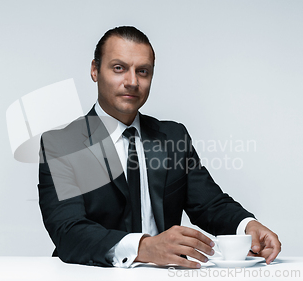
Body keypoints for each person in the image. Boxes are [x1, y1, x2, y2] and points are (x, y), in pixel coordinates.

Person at [38, 26, 281, 268]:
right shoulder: (62, 145)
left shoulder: (173, 137)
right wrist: (143, 248)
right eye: (119, 68)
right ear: (95, 70)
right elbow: (67, 230)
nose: (132, 82)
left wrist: (247, 225)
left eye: (143, 71)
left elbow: (209, 204)